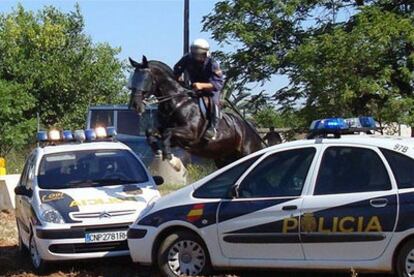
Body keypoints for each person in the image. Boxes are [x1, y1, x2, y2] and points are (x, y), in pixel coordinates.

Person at [173, 38, 224, 140]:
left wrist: (202, 85)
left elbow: (219, 83)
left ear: (205, 53)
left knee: (213, 102)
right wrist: (179, 79)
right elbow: (177, 69)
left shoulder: (212, 64)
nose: (197, 57)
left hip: (211, 90)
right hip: (193, 88)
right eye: (195, 54)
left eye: (199, 54)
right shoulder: (187, 58)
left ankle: (213, 127)